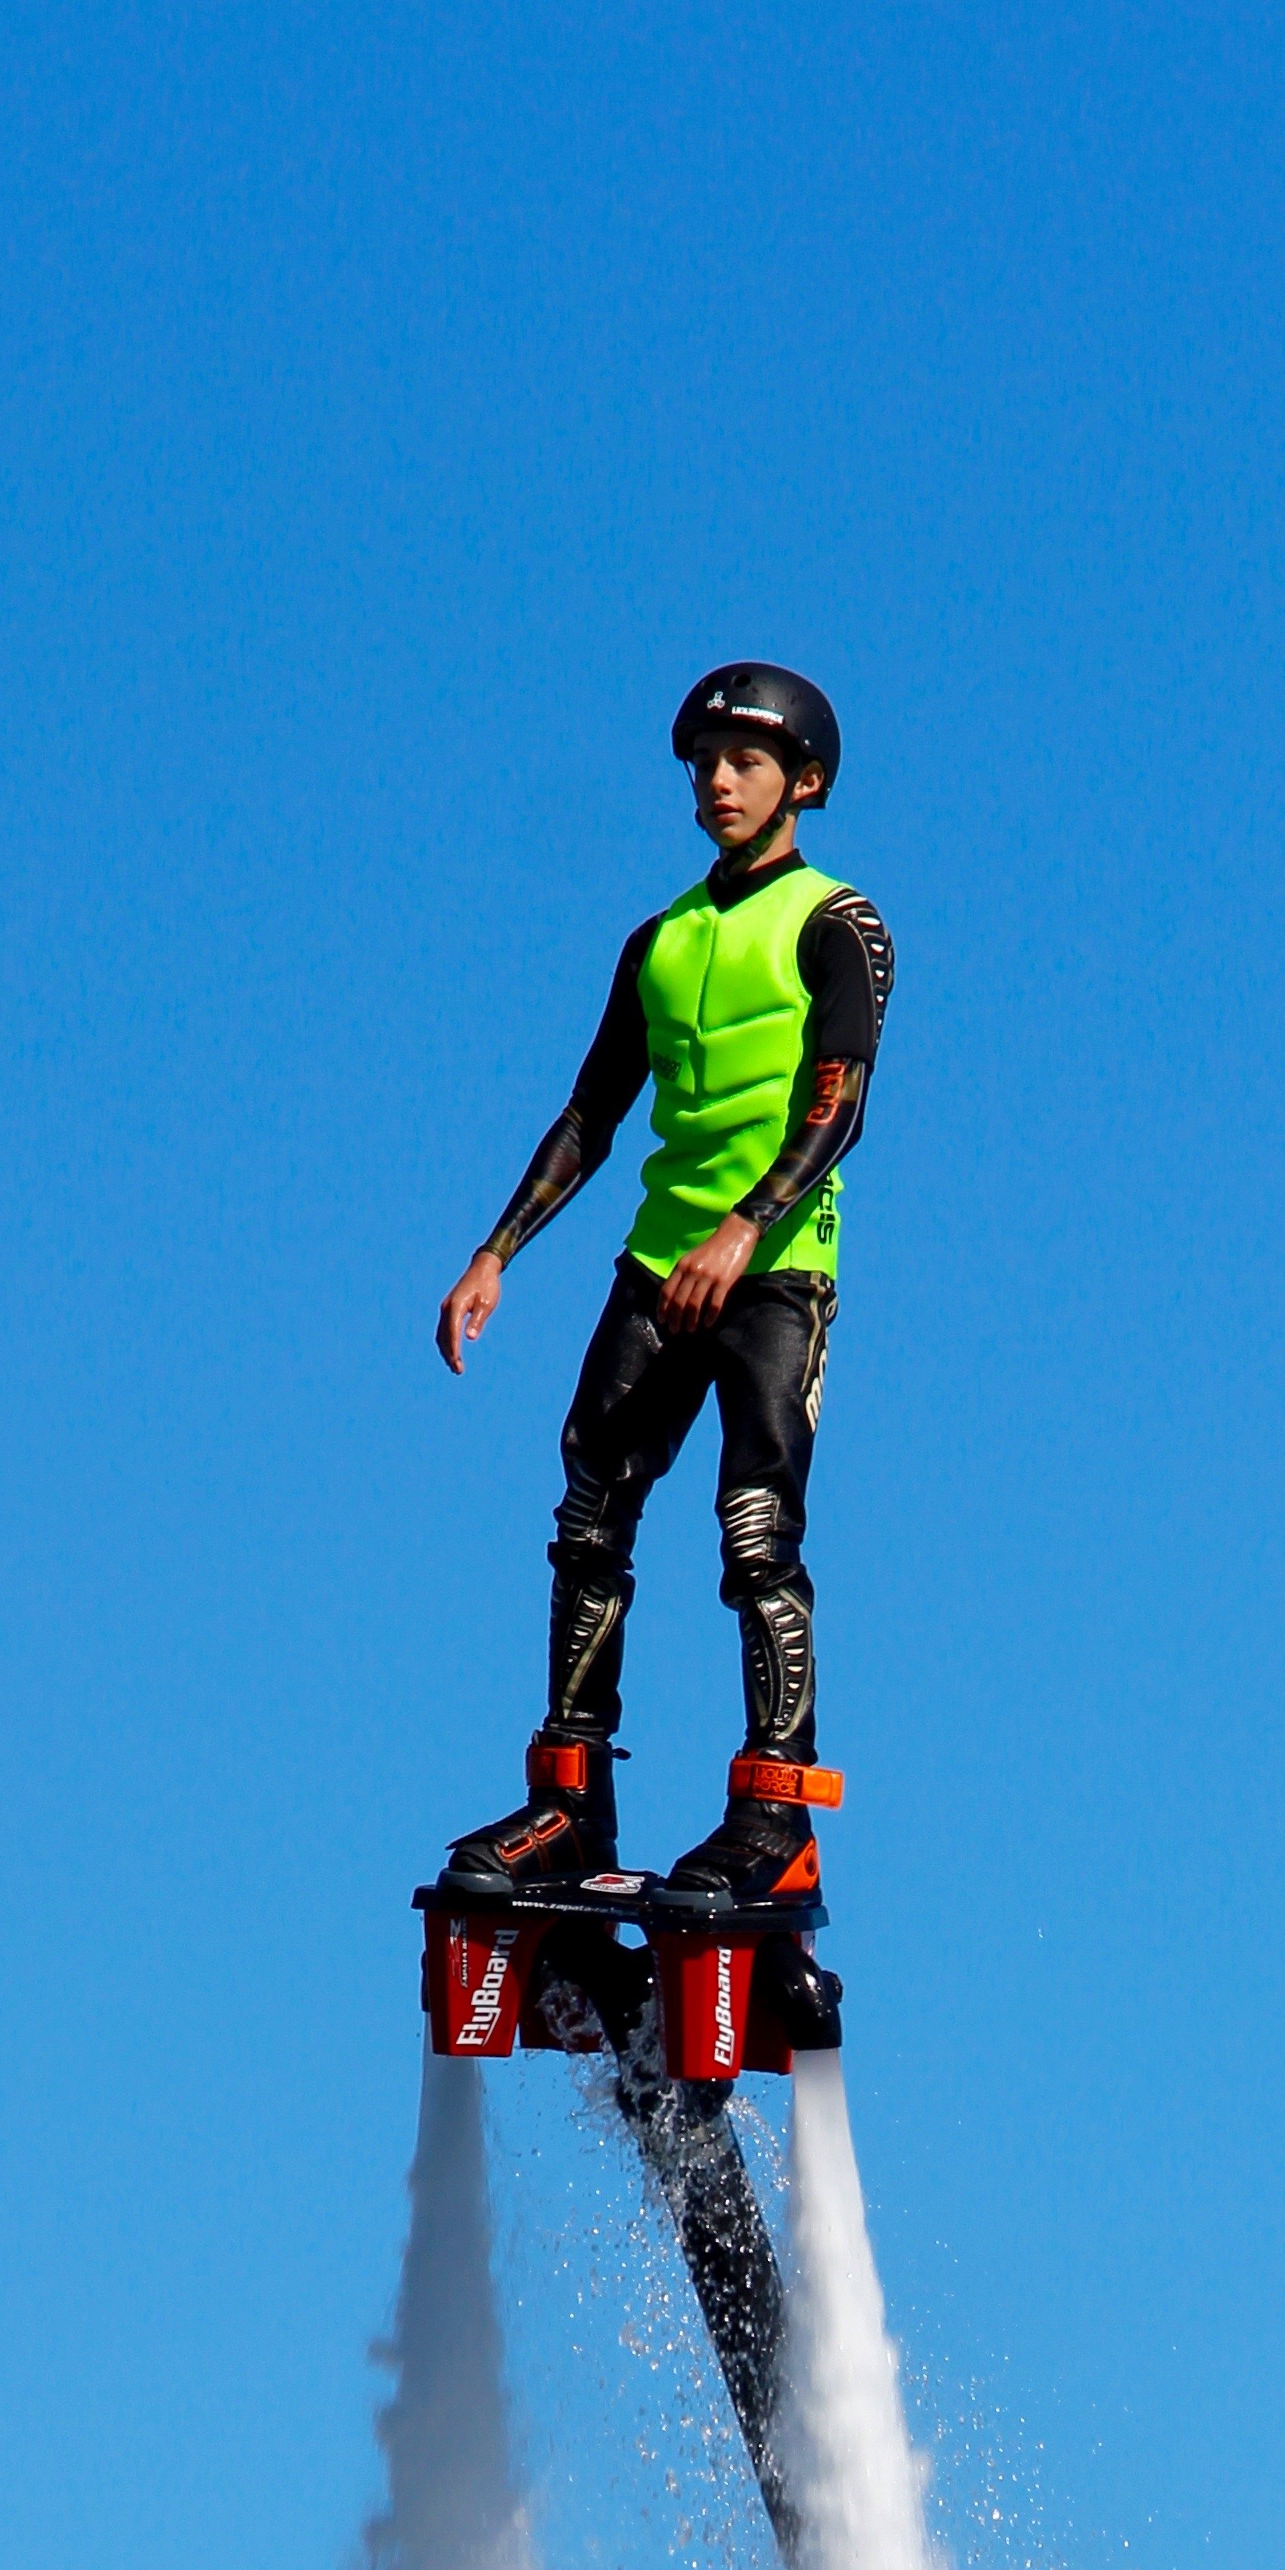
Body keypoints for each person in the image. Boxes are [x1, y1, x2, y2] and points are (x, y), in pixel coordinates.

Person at [435, 663, 892, 1907]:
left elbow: (839, 1104)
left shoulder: (834, 923)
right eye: (704, 761)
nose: (718, 780)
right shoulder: (661, 938)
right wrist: (496, 1252)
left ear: (802, 782)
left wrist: (747, 1226)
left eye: (745, 761)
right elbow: (592, 1108)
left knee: (755, 1530)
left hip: (776, 1265)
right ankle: (569, 1798)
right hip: (658, 1260)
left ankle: (774, 1809)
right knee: (591, 1506)